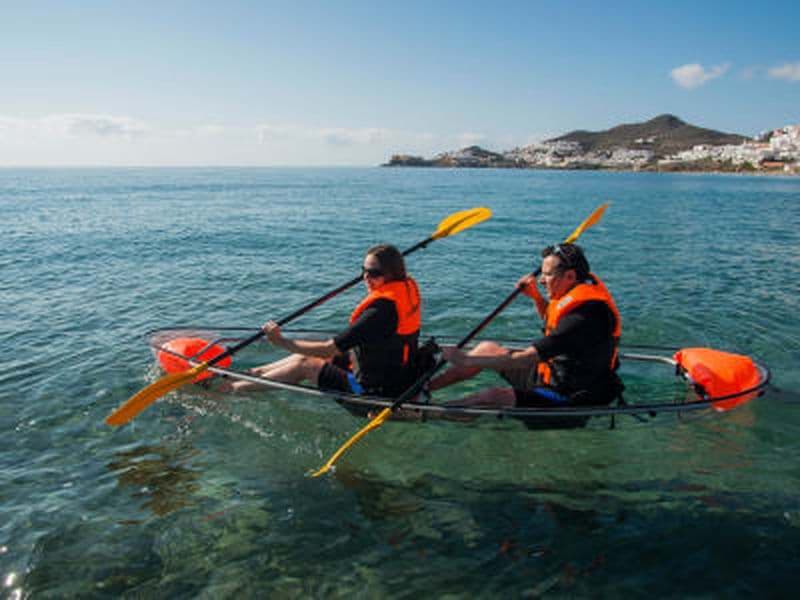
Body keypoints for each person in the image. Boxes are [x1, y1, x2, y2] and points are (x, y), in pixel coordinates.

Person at [429, 243, 622, 419]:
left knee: (493, 396)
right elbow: (553, 320)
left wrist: (464, 359)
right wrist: (536, 298)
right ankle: (424, 390)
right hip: (551, 374)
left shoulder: (584, 316)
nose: (541, 281)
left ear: (570, 275)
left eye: (548, 275)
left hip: (570, 396)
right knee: (487, 348)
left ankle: (424, 413)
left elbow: (527, 358)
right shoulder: (575, 288)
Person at [230, 244, 423, 399]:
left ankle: (231, 389)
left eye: (373, 273)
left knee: (305, 363)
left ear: (390, 274)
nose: (365, 277)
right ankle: (246, 373)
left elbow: (328, 349)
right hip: (395, 373)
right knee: (303, 355)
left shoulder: (380, 311)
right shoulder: (405, 287)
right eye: (363, 270)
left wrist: (281, 341)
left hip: (373, 392)